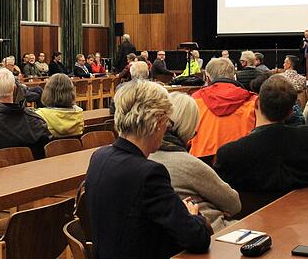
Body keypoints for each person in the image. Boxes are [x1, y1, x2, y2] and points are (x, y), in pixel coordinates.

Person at [85, 80, 212, 259]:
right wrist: (192, 216)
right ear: (159, 121)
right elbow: (197, 239)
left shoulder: (99, 156)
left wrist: (175, 211)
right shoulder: (149, 173)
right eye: (167, 122)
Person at [216, 75, 308, 212]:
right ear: (291, 112)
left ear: (256, 103)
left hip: (252, 227)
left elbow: (221, 199)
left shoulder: (230, 154)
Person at [149, 92, 241, 232]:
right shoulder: (189, 165)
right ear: (189, 128)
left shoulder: (143, 157)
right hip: (211, 233)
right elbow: (233, 204)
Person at [189, 57, 257, 159]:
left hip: (202, 164)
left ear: (207, 79)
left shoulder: (194, 100)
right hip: (242, 164)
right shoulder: (253, 101)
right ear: (234, 77)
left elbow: (186, 137)